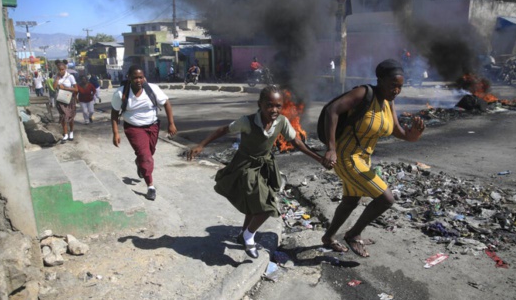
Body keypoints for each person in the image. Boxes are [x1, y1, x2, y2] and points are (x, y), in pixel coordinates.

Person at [187, 85, 330, 259]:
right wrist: (201, 145)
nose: (274, 110)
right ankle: (249, 236)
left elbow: (297, 142)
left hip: (264, 167)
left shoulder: (282, 122)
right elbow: (223, 130)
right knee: (267, 207)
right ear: (260, 104)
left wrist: (320, 159)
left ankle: (243, 234)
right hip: (246, 166)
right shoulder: (247, 122)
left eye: (278, 106)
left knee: (255, 204)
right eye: (269, 105)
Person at [321, 59, 425, 257]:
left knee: (351, 200)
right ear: (380, 80)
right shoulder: (363, 93)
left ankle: (328, 237)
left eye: (400, 87)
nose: (396, 90)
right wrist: (331, 148)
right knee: (386, 199)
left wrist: (412, 136)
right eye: (393, 85)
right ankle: (353, 234)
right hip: (346, 156)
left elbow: (397, 130)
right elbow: (331, 110)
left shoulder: (388, 102)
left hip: (363, 158)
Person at [111, 65, 177, 201]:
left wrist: (171, 123)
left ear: (144, 77)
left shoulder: (152, 89)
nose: (138, 80)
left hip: (153, 126)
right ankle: (150, 187)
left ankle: (139, 163)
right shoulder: (121, 93)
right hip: (134, 128)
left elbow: (166, 103)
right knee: (146, 156)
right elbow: (114, 113)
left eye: (141, 77)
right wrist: (115, 133)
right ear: (129, 78)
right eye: (135, 77)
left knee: (149, 152)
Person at [53, 60, 78, 142]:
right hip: (61, 100)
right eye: (59, 70)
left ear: (65, 69)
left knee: (70, 116)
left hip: (69, 99)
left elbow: (76, 89)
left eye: (62, 69)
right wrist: (57, 79)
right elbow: (54, 87)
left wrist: (65, 88)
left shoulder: (70, 77)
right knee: (63, 117)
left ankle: (71, 132)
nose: (61, 71)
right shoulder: (57, 77)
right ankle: (65, 134)